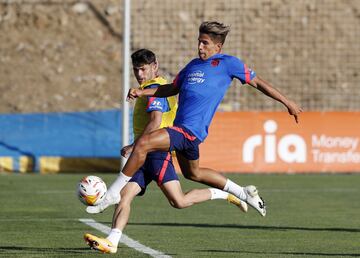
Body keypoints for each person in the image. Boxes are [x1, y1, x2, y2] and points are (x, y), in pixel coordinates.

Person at [93, 21, 302, 218]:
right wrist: (142, 93)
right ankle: (242, 192)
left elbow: (259, 83)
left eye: (205, 43)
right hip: (184, 132)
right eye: (199, 42)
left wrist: (288, 102)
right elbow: (171, 89)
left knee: (144, 143)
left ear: (218, 47)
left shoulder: (228, 63)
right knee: (193, 174)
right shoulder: (192, 66)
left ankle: (112, 193)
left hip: (190, 131)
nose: (200, 47)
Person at [84, 49, 247, 254]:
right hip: (143, 156)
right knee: (125, 196)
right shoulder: (148, 87)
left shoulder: (156, 87)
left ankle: (224, 194)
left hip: (157, 154)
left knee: (178, 201)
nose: (140, 74)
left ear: (155, 66)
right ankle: (112, 240)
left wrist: (135, 145)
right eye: (136, 70)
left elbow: (156, 121)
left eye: (143, 69)